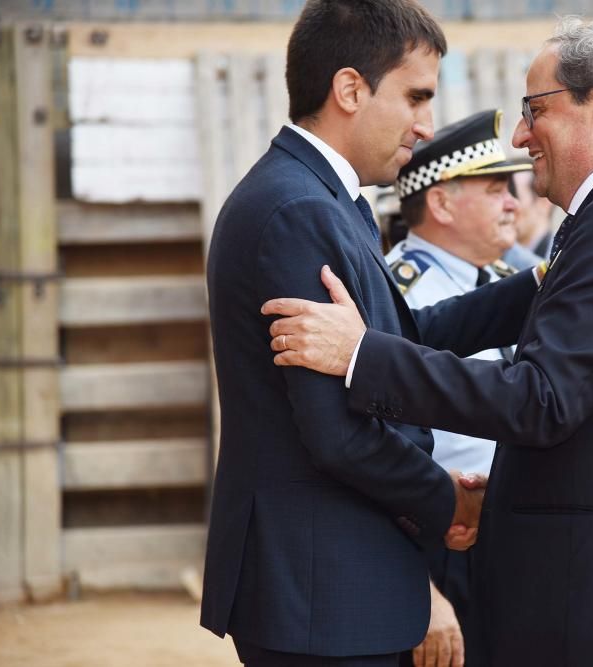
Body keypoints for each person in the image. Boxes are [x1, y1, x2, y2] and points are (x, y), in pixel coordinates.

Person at [263, 18, 593, 667]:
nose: (521, 135)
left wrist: (361, 355)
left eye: (534, 110)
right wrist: (382, 334)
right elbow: (522, 313)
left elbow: (542, 397)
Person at [199, 2, 540, 665]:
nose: (425, 126)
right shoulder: (299, 209)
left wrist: (538, 289)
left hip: (332, 579)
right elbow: (336, 428)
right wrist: (447, 501)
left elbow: (396, 342)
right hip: (322, 588)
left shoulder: (324, 196)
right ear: (350, 89)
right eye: (416, 97)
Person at [387, 108, 532, 667]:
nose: (515, 203)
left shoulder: (507, 285)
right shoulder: (399, 296)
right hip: (438, 544)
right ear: (442, 203)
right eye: (496, 189)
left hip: (512, 535)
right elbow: (380, 450)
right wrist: (419, 587)